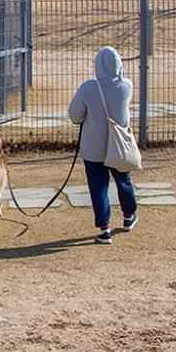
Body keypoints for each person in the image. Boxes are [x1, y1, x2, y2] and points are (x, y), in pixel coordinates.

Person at [68, 46, 138, 245]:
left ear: (97, 65)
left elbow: (75, 115)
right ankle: (129, 215)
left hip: (94, 148)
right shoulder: (127, 86)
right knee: (123, 180)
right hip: (118, 147)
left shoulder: (89, 88)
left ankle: (104, 228)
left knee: (98, 187)